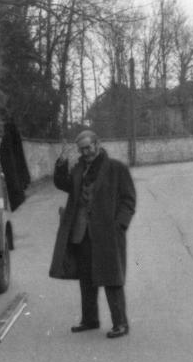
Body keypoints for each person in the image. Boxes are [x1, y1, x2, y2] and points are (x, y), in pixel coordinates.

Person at [49, 130, 136, 338]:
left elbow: (128, 200)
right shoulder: (79, 170)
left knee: (112, 278)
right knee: (86, 278)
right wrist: (61, 162)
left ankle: (121, 324)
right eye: (82, 150)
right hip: (82, 233)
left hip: (108, 234)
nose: (85, 152)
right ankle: (90, 320)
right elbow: (63, 184)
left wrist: (119, 226)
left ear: (98, 144)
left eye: (88, 148)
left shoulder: (116, 169)